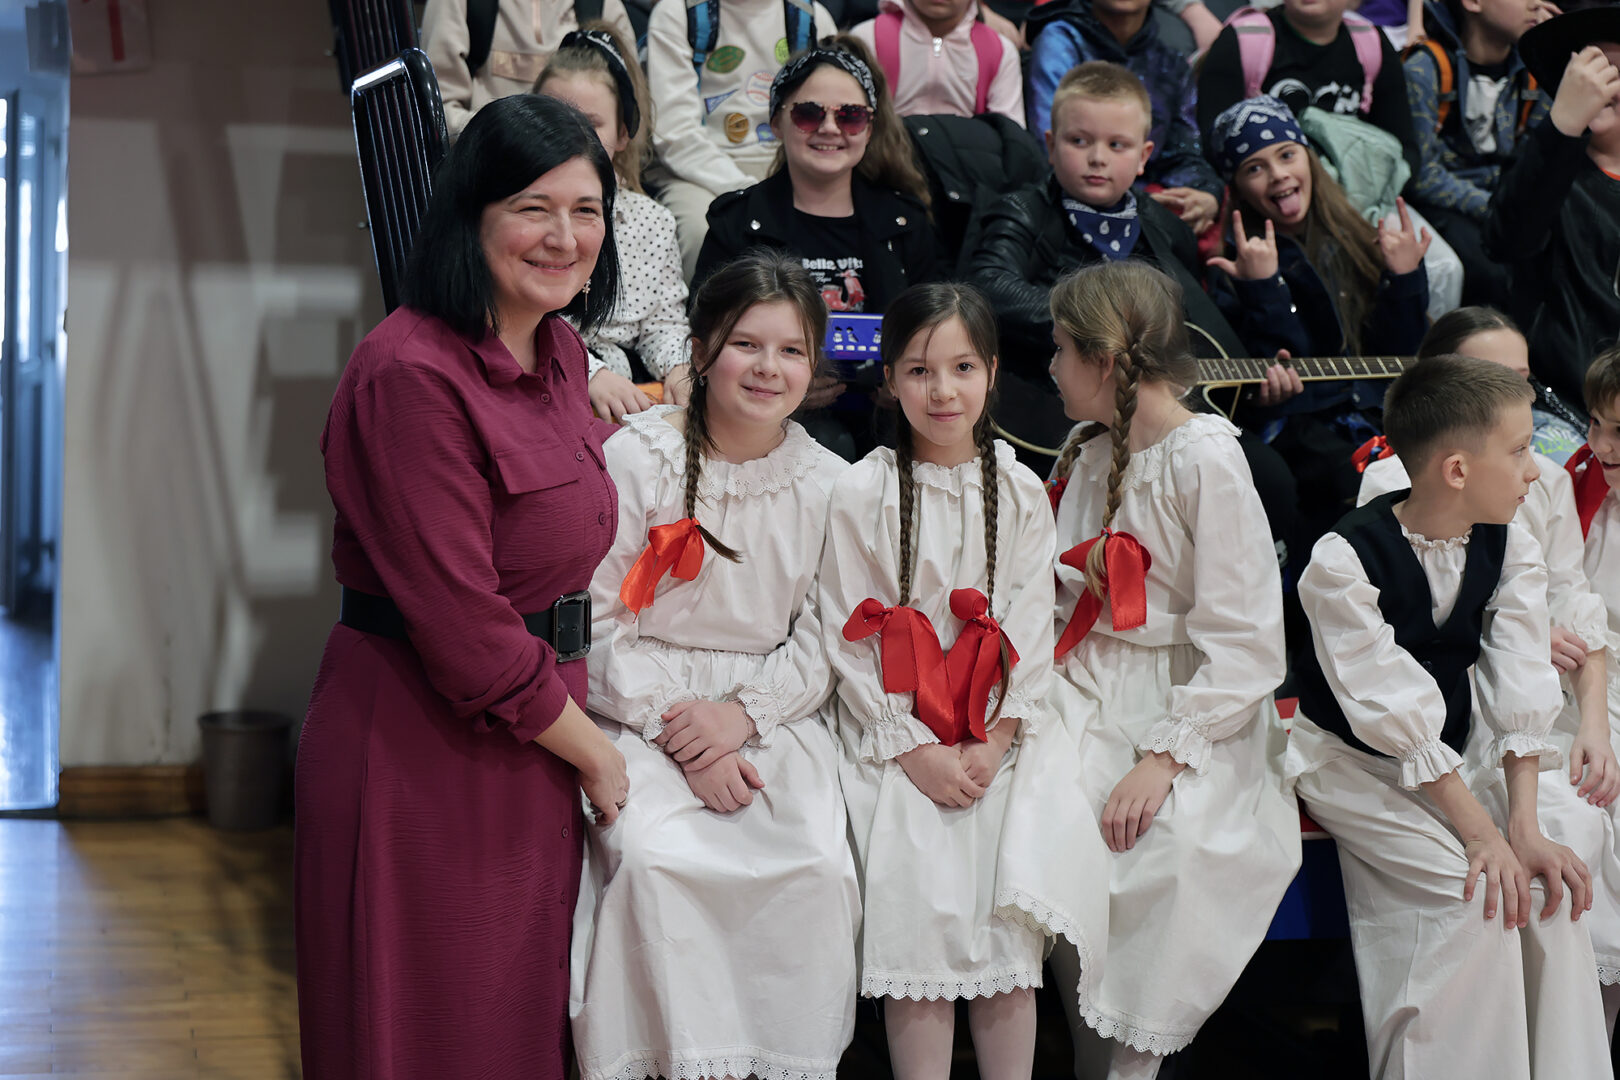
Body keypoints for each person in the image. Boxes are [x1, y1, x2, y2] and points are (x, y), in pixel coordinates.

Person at [294, 94, 631, 1080]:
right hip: (421, 747)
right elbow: (463, 627)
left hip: (535, 732)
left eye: (587, 210)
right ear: (470, 216)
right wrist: (597, 757)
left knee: (513, 1026)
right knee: (425, 1030)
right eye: (533, 208)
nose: (565, 237)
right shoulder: (408, 373)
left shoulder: (561, 349)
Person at [570, 252, 860, 1080]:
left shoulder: (831, 482)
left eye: (792, 350)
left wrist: (740, 718)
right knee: (654, 860)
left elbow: (828, 635)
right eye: (746, 345)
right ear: (699, 352)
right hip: (643, 708)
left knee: (814, 867)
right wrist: (685, 735)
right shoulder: (637, 457)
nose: (769, 368)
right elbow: (595, 619)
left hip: (767, 711)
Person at [1289, 355, 1611, 1080]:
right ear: (1457, 470)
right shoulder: (1342, 562)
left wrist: (1521, 827)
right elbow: (1391, 715)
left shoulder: (1509, 539)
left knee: (1550, 892)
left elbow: (1520, 678)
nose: (1536, 472)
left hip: (1452, 754)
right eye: (1521, 450)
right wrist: (1481, 837)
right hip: (1354, 762)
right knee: (1476, 899)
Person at [821, 282, 1107, 1080]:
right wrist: (914, 749)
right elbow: (846, 633)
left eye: (962, 368)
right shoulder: (862, 490)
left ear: (992, 372)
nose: (942, 391)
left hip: (997, 735)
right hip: (896, 735)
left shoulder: (1017, 489)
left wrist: (998, 737)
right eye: (919, 371)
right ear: (888, 379)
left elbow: (1030, 623)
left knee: (1002, 919)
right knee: (916, 902)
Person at [1043, 260, 1301, 1080]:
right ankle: (1092, 1054)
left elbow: (1247, 641)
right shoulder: (1087, 450)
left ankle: (1134, 1062)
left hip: (1192, 698)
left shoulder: (1206, 459)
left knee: (1169, 846)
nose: (1050, 367)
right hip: (1086, 683)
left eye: (1060, 349)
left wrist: (1163, 756)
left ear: (1104, 361)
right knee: (1049, 827)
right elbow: (1060, 598)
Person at [1357, 324, 1620, 1026]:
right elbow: (1403, 654)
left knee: (1579, 820)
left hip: (1532, 706)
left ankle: (1580, 1035)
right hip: (1431, 720)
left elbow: (1570, 611)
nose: (1519, 395)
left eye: (1524, 379)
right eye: (1495, 381)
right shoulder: (1381, 508)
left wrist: (1592, 725)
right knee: (1502, 870)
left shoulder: (1539, 487)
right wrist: (1489, 829)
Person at [697, 39, 944, 458]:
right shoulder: (736, 223)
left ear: (869, 128)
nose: (830, 128)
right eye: (809, 114)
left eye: (850, 116)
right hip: (768, 422)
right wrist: (781, 385)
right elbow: (704, 336)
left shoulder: (906, 222)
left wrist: (911, 378)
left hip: (890, 424)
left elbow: (938, 329)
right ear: (777, 123)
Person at [1206, 95, 1430, 554]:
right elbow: (1277, 366)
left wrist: (1404, 278)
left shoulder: (1351, 234)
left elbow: (1398, 355)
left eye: (1287, 155)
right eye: (1255, 167)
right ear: (1239, 188)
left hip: (1377, 413)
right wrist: (1262, 287)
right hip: (1303, 433)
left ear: (1308, 159)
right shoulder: (1232, 270)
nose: (1278, 174)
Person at [536, 24, 694, 420]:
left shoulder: (651, 220)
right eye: (552, 120)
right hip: (545, 382)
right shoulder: (519, 216)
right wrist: (588, 371)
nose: (569, 140)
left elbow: (663, 324)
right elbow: (516, 320)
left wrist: (677, 366)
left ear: (623, 133)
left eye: (590, 125)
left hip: (630, 390)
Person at [1485, 6, 1620, 412]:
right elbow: (1505, 240)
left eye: (1612, 71)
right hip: (1561, 403)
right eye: (1587, 70)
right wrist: (1562, 125)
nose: (1599, 85)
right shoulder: (1545, 167)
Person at [643, 0, 838, 280]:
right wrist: (750, 193)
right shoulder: (678, 13)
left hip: (790, 161)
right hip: (695, 171)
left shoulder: (811, 17)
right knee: (700, 231)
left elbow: (832, 110)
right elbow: (675, 135)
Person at [1024, 0, 1223, 238]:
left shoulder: (1170, 62)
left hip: (1147, 204)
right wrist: (1136, 204)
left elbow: (1183, 153)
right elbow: (1051, 156)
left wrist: (1207, 194)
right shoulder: (1060, 42)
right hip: (1070, 210)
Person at [1403, 0, 1548, 307]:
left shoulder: (1535, 68)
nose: (1537, 3)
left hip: (1507, 197)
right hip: (1446, 205)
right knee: (1491, 274)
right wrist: (1494, 208)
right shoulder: (1425, 68)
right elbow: (1421, 176)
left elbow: (1540, 155)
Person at [1196, 0, 1422, 181]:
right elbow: (1213, 148)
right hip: (1270, 197)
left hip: (1358, 198)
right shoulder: (1243, 40)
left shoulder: (1372, 43)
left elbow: (1405, 149)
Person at [420, 0, 635, 137]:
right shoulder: (458, 4)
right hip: (484, 170)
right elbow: (434, 112)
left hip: (584, 172)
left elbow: (630, 114)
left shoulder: (604, 6)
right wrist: (512, 136)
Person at [849, 0, 1025, 125]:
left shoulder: (1000, 50)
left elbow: (1010, 134)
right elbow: (850, 123)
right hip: (886, 158)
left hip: (969, 161)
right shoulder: (866, 39)